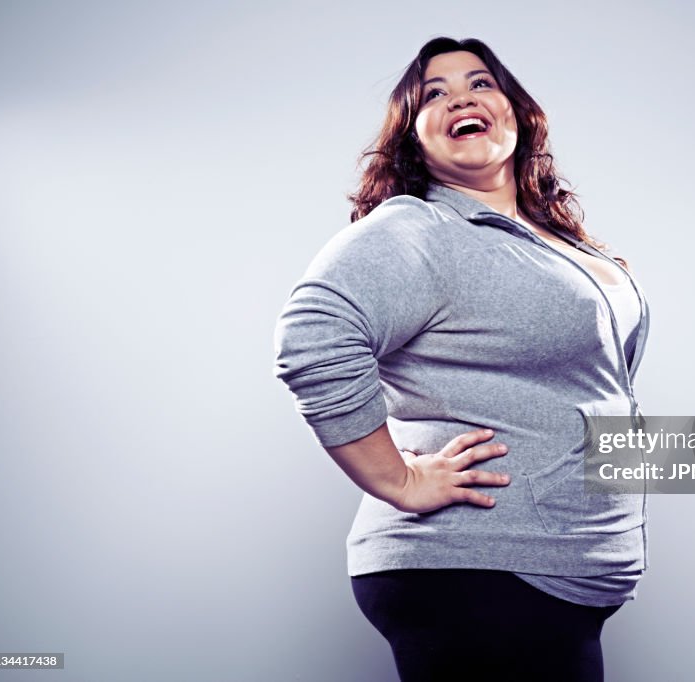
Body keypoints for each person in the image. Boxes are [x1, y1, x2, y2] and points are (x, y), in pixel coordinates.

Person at [274, 36, 650, 682]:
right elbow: (313, 331)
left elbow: (584, 403)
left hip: (550, 581)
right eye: (435, 94)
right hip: (478, 577)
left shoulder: (550, 242)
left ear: (517, 111)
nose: (461, 99)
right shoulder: (423, 230)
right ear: (413, 137)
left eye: (480, 84)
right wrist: (399, 479)